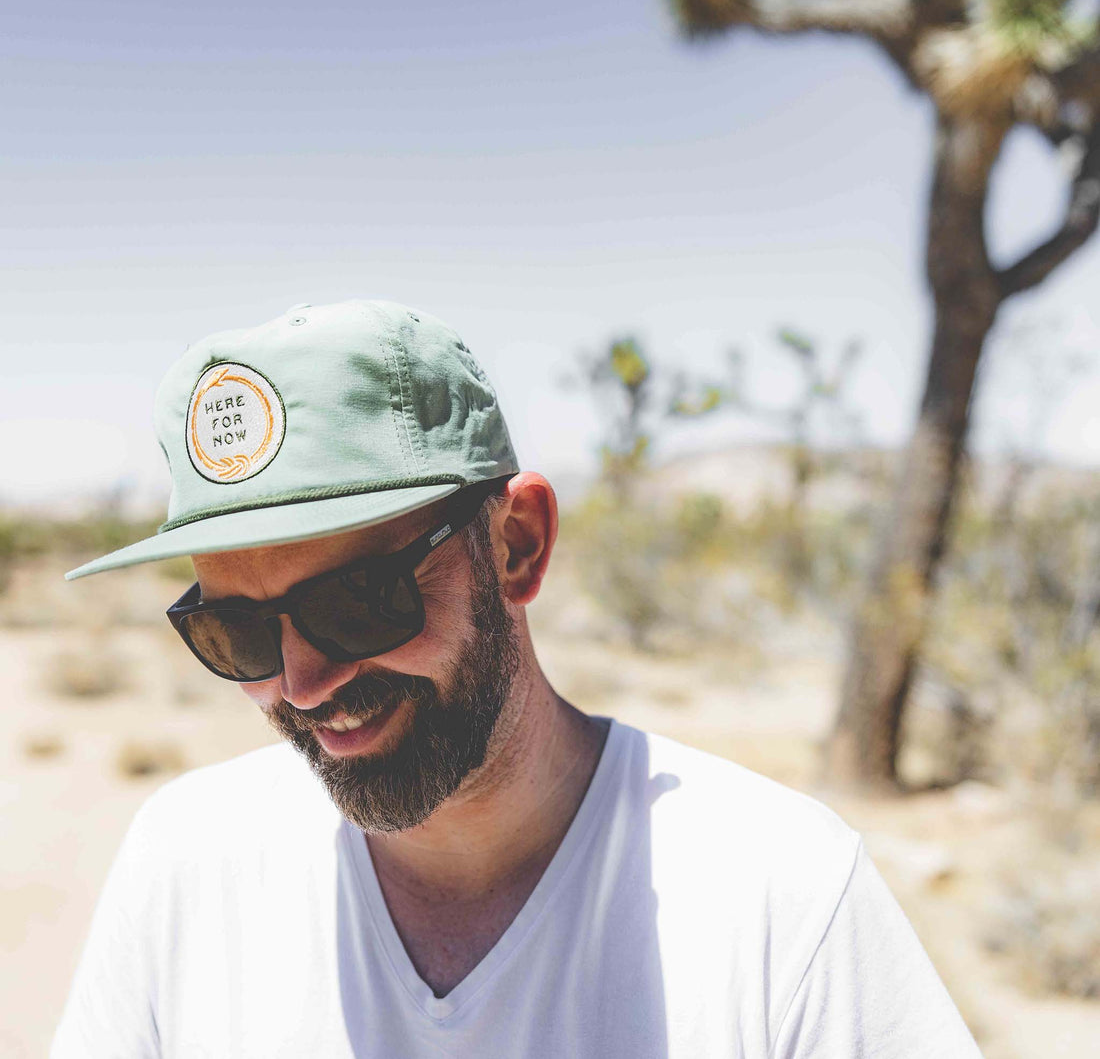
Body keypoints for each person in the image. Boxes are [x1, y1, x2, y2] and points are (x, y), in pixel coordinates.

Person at [53, 299, 984, 1058]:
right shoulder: (185, 860)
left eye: (358, 603)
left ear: (517, 544)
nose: (299, 683)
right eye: (238, 631)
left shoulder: (780, 894)